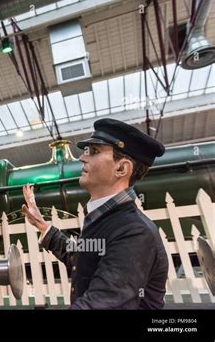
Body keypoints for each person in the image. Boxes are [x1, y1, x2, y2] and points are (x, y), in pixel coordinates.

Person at [22, 118, 169, 309]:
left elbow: (100, 303)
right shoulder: (106, 219)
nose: (82, 158)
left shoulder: (134, 232)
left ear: (121, 168)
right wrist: (42, 225)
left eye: (94, 152)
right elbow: (82, 259)